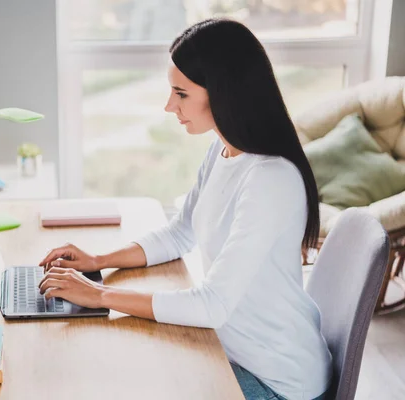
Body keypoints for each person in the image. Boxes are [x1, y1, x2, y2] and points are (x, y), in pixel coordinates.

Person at [38, 18, 331, 400]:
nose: (168, 105)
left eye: (181, 93)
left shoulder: (270, 180)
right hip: (231, 351)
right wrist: (98, 261)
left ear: (224, 93)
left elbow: (211, 305)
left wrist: (99, 297)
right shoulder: (222, 151)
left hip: (278, 381)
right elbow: (180, 233)